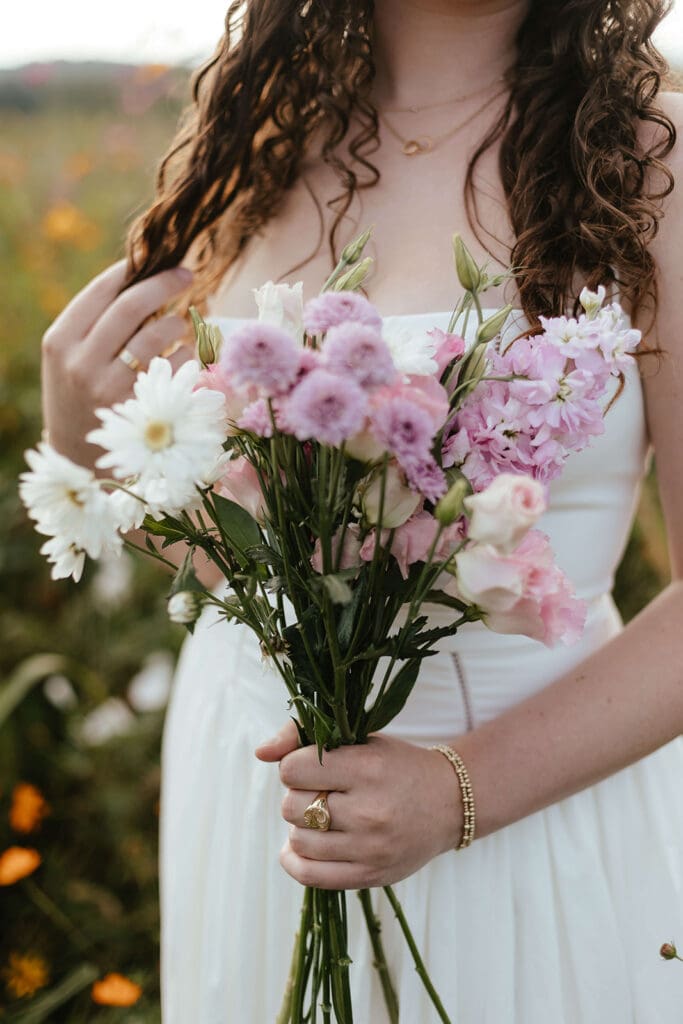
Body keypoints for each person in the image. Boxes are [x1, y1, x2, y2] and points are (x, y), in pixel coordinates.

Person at [40, 0, 683, 1019]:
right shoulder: (253, 152)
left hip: (529, 793)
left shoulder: (654, 166)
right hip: (262, 789)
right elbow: (243, 565)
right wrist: (92, 453)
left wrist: (457, 789)